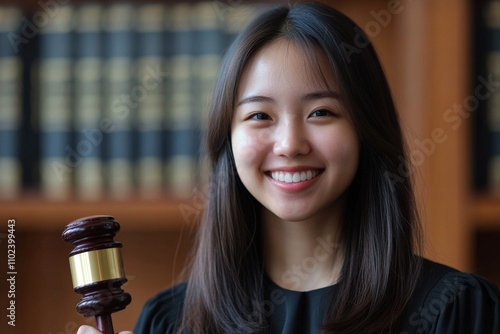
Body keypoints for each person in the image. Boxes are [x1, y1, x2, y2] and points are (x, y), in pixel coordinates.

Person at [77, 2, 500, 334]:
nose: (290, 144)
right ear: (228, 139)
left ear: (367, 128)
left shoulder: (457, 312)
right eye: (260, 116)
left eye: (321, 112)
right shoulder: (171, 323)